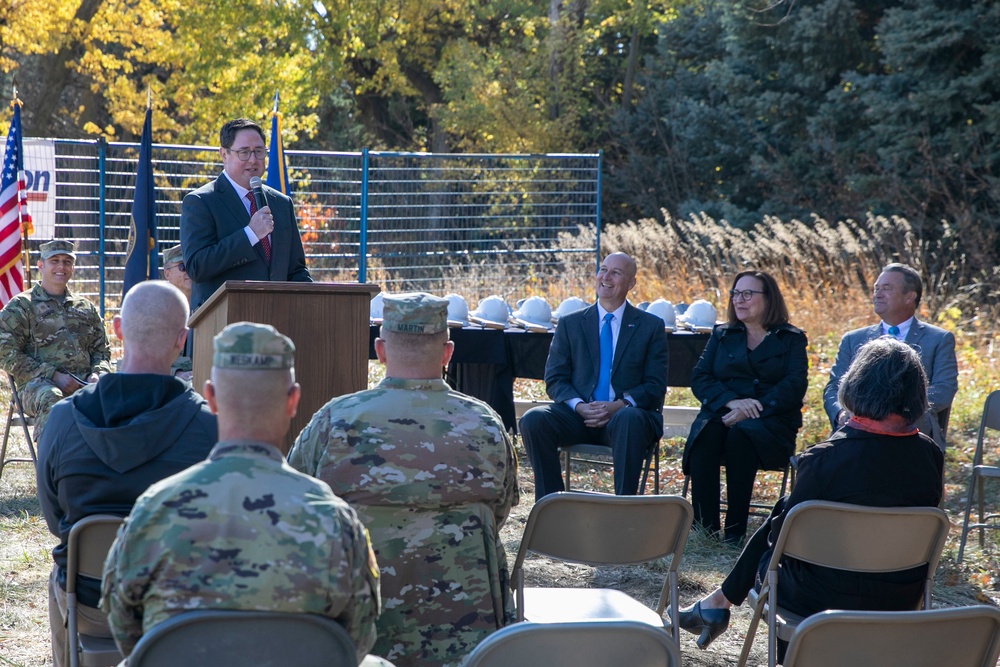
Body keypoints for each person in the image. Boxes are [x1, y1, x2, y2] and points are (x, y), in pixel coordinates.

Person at [101, 322, 380, 664]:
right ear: (293, 400)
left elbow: (127, 635)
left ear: (211, 398)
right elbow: (355, 642)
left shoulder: (154, 510)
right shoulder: (335, 521)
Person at [289, 292, 518, 667]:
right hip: (467, 642)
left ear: (379, 350)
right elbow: (498, 512)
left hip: (360, 642)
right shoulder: (486, 425)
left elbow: (299, 508)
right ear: (447, 353)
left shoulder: (335, 421)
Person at [675, 338, 944, 657]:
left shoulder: (823, 459)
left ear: (856, 385)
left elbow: (782, 545)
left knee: (786, 519)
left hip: (818, 601)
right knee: (788, 509)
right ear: (917, 394)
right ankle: (717, 602)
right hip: (899, 596)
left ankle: (719, 603)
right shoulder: (931, 455)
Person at [36, 280, 217, 667]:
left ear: (117, 329)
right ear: (182, 340)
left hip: (89, 604)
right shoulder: (207, 427)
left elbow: (56, 520)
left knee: (60, 571)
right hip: (178, 606)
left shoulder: (63, 419)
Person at [518, 252, 668, 499]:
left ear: (631, 284)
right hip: (578, 416)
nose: (605, 277)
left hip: (624, 418)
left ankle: (624, 506)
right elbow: (555, 378)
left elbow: (655, 385)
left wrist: (618, 406)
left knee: (629, 418)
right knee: (534, 419)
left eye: (616, 273)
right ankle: (552, 504)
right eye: (603, 269)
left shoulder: (650, 326)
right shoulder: (571, 323)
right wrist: (579, 407)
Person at [683, 270, 808, 545]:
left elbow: (794, 385)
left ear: (769, 299)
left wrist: (754, 407)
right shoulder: (722, 334)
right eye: (736, 294)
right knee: (707, 433)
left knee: (743, 433)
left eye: (748, 294)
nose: (739, 300)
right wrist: (732, 402)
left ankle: (735, 533)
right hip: (723, 413)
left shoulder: (791, 339)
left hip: (771, 421)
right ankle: (706, 531)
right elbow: (700, 377)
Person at [180, 118, 311, 311]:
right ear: (224, 154)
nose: (253, 159)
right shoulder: (201, 201)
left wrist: (315, 302)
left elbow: (296, 269)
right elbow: (198, 267)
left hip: (278, 321)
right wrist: (250, 234)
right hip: (224, 322)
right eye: (244, 152)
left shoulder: (281, 203)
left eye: (259, 151)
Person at [823, 262, 957, 450]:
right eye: (876, 288)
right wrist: (840, 414)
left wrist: (896, 412)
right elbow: (834, 387)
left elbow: (944, 389)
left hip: (913, 434)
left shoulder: (938, 339)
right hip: (856, 433)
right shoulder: (853, 339)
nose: (877, 294)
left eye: (887, 288)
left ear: (909, 296)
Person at [0, 240, 112, 441]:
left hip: (84, 383)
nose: (61, 267)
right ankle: (52, 467)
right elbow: (5, 352)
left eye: (67, 261)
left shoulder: (85, 308)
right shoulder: (22, 306)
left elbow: (101, 352)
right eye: (55, 261)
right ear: (40, 265)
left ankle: (105, 467)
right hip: (37, 386)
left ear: (73, 267)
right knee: (53, 398)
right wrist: (53, 375)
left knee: (117, 396)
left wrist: (97, 374)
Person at [161, 244, 193, 379]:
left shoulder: (208, 303)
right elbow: (147, 355)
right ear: (167, 274)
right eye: (182, 266)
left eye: (192, 264)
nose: (189, 271)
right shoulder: (157, 309)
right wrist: (177, 373)